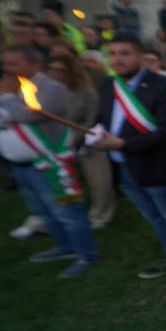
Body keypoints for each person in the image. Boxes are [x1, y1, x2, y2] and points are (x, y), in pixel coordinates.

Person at [89, 34, 166, 288]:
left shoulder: (162, 86)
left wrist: (124, 144)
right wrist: (95, 133)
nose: (118, 59)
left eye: (125, 53)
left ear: (140, 57)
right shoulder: (110, 84)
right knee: (153, 216)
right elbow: (104, 116)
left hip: (155, 164)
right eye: (114, 54)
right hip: (123, 165)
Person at [0, 45, 99, 276]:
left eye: (13, 63)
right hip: (21, 165)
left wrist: (9, 99)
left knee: (67, 211)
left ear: (35, 65)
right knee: (43, 211)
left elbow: (29, 115)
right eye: (6, 63)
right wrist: (6, 121)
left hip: (51, 163)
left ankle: (86, 255)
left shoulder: (50, 88)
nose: (6, 69)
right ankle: (65, 247)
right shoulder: (5, 87)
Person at [46, 51, 114, 231]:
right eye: (52, 70)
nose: (56, 74)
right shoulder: (43, 92)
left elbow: (91, 120)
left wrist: (73, 137)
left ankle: (100, 213)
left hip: (85, 139)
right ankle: (66, 212)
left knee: (98, 178)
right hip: (52, 142)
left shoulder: (85, 91)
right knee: (61, 179)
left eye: (61, 70)